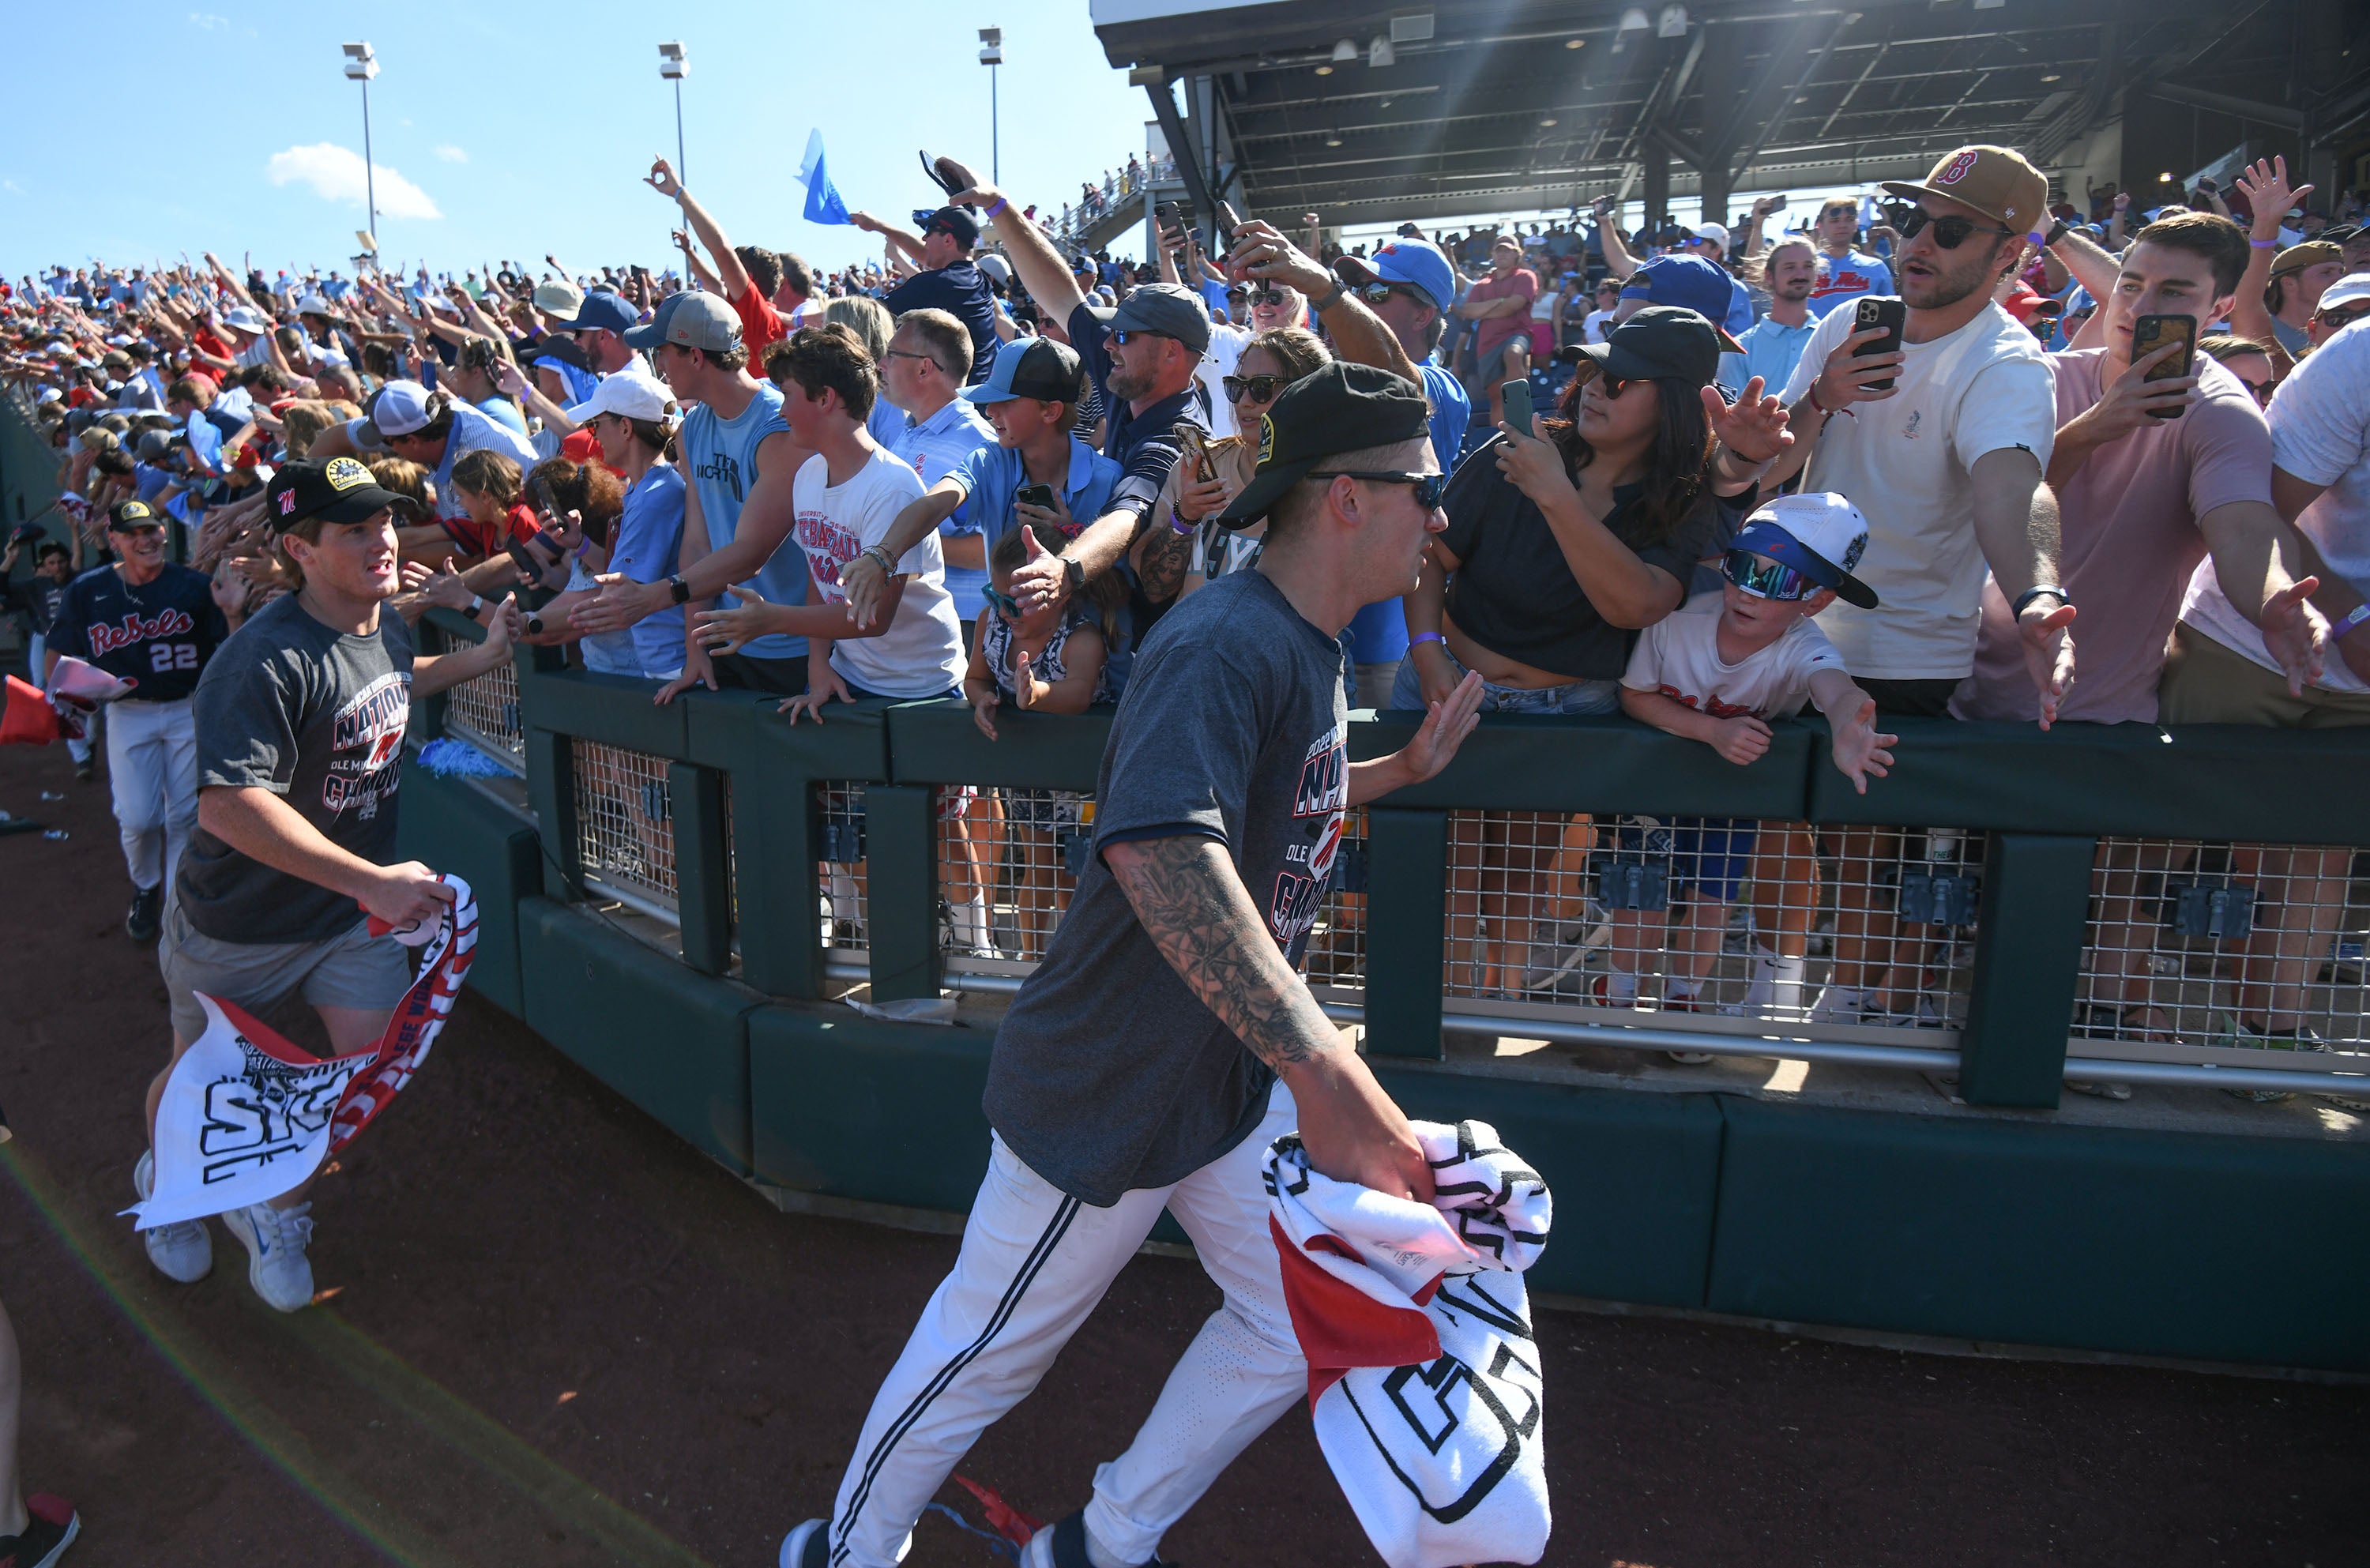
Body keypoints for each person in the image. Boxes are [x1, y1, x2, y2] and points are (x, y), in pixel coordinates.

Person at [777, 362, 1485, 1568]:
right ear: (1348, 499)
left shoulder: (1298, 641)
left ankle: (1103, 1541)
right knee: (988, 1347)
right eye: (1422, 489)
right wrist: (1322, 1065)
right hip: (1109, 1080)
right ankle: (843, 1550)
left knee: (1290, 1312)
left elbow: (1270, 802)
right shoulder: (1229, 639)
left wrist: (1400, 775)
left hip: (1217, 1083)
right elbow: (1164, 847)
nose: (1440, 517)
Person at [137, 456, 520, 1311]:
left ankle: (273, 1205)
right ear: (301, 551)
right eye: (355, 529)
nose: (383, 539)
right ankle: (167, 1179)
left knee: (348, 1071)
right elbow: (230, 810)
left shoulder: (380, 623)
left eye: (383, 521)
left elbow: (393, 681)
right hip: (237, 922)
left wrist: (482, 656)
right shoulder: (258, 661)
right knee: (199, 1073)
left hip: (346, 918)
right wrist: (374, 883)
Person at [1766, 145, 2071, 1025]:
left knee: (1865, 848)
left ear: (2011, 254)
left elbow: (2013, 495)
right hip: (1794, 626)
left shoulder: (2009, 365)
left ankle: (1860, 999)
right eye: (1908, 221)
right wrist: (1814, 400)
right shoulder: (1847, 324)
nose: (1916, 243)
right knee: (1779, 825)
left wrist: (2038, 597)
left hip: (1902, 644)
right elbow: (1778, 463)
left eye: (1949, 229)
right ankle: (1787, 982)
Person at [1402, 306, 1788, 995]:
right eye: (1593, 372)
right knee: (1442, 863)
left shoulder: (1682, 496)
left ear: (1670, 402)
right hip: (1447, 680)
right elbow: (1431, 558)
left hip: (1565, 708)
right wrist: (1429, 651)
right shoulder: (1515, 449)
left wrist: (1556, 495)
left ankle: (1499, 1009)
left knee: (1520, 874)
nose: (1595, 389)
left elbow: (1638, 604)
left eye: (1622, 381)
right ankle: (1442, 1019)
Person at [840, 160, 1209, 686]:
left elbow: (1127, 519)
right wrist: (998, 207)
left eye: (1123, 336)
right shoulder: (1131, 373)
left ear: (1172, 354)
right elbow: (1063, 297)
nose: (1107, 345)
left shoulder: (1174, 435)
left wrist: (1066, 562)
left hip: (1138, 666)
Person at [1955, 212, 2323, 727]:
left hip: (2094, 718)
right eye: (2131, 285)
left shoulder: (2219, 411)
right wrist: (2090, 429)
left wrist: (2273, 599)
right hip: (1953, 692)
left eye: (2175, 292)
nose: (2141, 307)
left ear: (2220, 308)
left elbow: (2242, 527)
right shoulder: (2035, 381)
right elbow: (1984, 506)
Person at [1612, 494, 1896, 1031]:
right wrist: (1712, 730)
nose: (1747, 591)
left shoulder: (1801, 644)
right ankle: (1620, 999)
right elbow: (1636, 695)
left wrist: (1848, 726)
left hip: (1732, 792)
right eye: (1741, 568)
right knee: (1640, 885)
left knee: (1713, 894)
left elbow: (1834, 687)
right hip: (1654, 784)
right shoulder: (1675, 619)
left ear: (1815, 600)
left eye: (1779, 580)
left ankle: (1681, 1001)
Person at [574, 293, 814, 698]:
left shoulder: (779, 425)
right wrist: (695, 647)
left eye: (663, 351)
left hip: (790, 647)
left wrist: (654, 596)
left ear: (696, 356)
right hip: (724, 642)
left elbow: (751, 554)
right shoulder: (691, 430)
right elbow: (696, 545)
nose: (659, 364)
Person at [43, 499, 237, 942]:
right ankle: (145, 885)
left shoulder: (195, 586)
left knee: (185, 816)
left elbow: (230, 652)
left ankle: (173, 909)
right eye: (132, 533)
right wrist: (61, 696)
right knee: (138, 819)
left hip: (187, 708)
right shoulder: (88, 590)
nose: (145, 538)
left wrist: (232, 613)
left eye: (151, 530)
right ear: (113, 540)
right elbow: (59, 652)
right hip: (128, 713)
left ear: (164, 533)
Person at [964, 517, 1124, 949]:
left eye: (1015, 603)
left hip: (1082, 778)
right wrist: (981, 699)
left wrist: (1037, 692)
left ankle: (1073, 970)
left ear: (1058, 593)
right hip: (1031, 773)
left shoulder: (1082, 638)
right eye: (996, 597)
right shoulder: (990, 624)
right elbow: (974, 678)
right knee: (1038, 866)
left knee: (1076, 870)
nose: (1002, 612)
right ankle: (1030, 966)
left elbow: (1078, 695)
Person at [563, 370, 687, 682]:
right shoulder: (643, 487)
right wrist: (580, 545)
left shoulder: (655, 495)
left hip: (674, 666)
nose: (594, 436)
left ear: (626, 427)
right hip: (663, 661)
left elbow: (614, 599)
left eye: (595, 425)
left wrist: (524, 621)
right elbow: (624, 577)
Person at [877, 309, 998, 628]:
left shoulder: (978, 443)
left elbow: (992, 548)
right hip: (917, 623)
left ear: (924, 368)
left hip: (962, 625)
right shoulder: (909, 432)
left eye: (891, 355)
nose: (880, 364)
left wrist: (896, 543)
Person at [344, 381, 540, 540]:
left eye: (388, 442)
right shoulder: (436, 413)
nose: (388, 449)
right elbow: (336, 436)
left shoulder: (471, 462)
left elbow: (469, 549)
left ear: (412, 441)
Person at [852, 205, 999, 382]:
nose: (923, 239)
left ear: (948, 240)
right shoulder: (978, 279)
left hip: (950, 404)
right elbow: (926, 254)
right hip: (974, 399)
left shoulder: (938, 283)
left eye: (929, 232)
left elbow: (864, 314)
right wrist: (878, 226)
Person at [1457, 234, 1538, 430]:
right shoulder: (1481, 284)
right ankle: (1500, 439)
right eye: (1498, 250)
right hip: (1487, 344)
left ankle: (1522, 410)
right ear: (1492, 253)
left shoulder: (1526, 276)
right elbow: (1468, 311)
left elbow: (1515, 305)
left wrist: (1484, 311)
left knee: (1513, 353)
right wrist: (1500, 302)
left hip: (1517, 333)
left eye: (1507, 250)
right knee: (1497, 398)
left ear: (1517, 254)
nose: (1502, 254)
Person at [1737, 238, 1819, 393]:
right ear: (1769, 276)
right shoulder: (1742, 347)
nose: (1800, 274)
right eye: (1790, 268)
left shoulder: (1832, 339)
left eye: (1808, 267)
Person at [1807, 195, 1895, 317]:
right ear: (1819, 226)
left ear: (1856, 224)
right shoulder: (1805, 268)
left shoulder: (1875, 268)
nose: (1842, 225)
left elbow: (1890, 315)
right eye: (1835, 220)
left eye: (1849, 219)